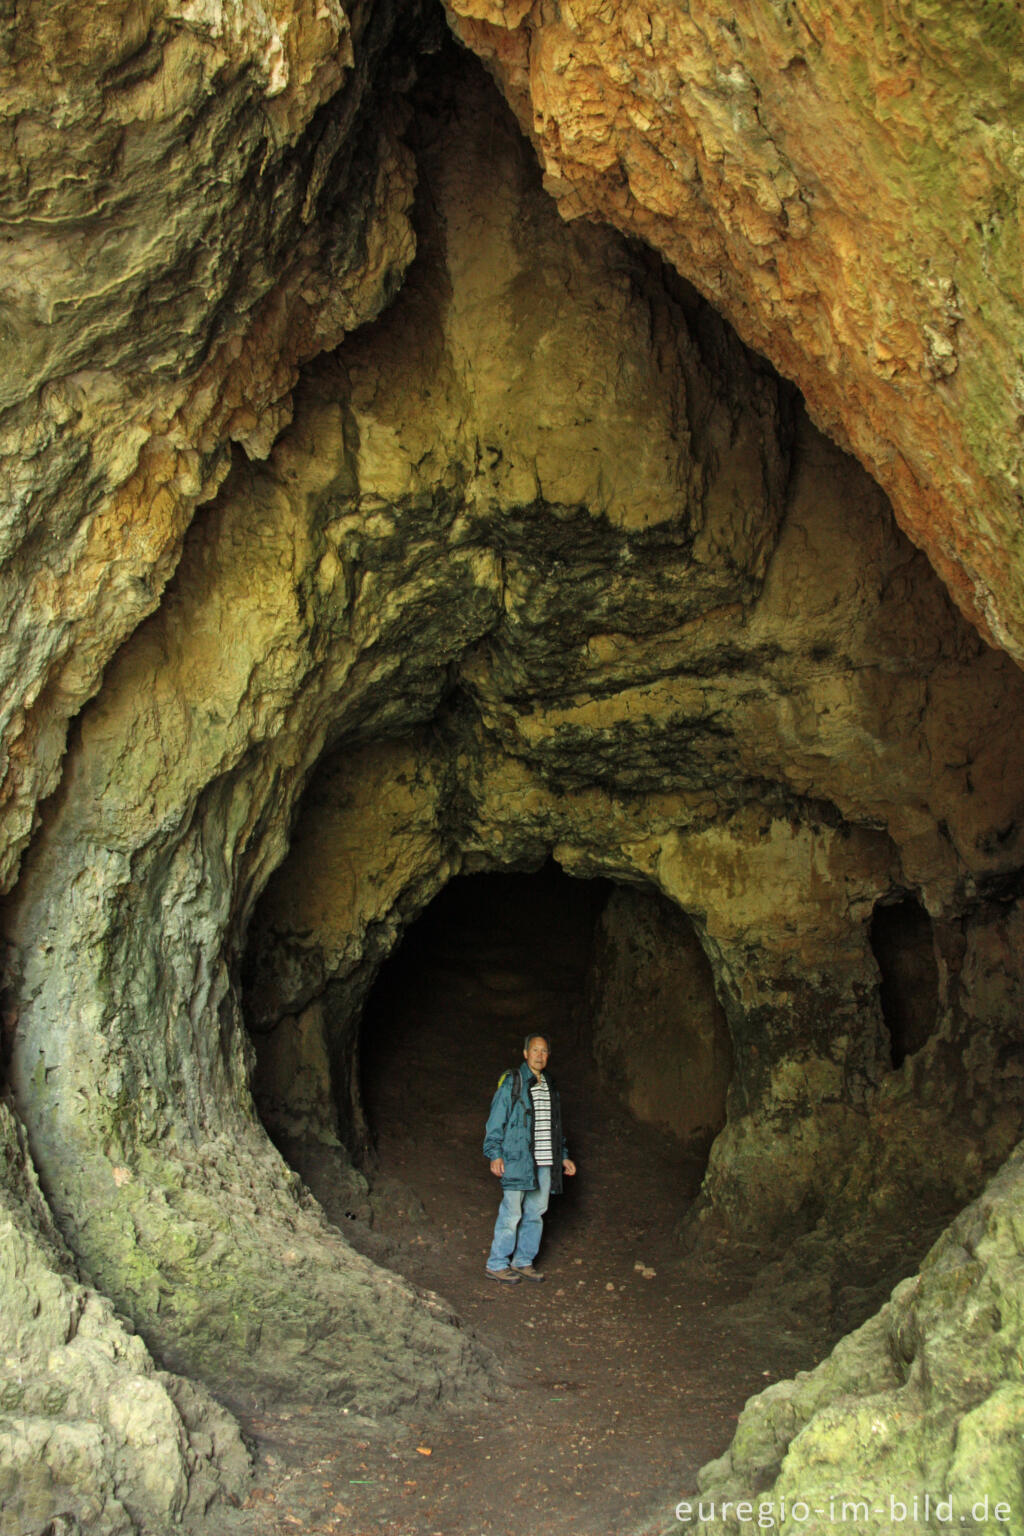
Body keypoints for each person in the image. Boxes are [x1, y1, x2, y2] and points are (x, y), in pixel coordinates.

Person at [483, 1032, 576, 1284]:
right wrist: (495, 1153)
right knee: (512, 1212)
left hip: (545, 1162)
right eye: (535, 1050)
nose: (539, 1055)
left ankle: (523, 1261)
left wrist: (563, 1156)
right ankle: (497, 1263)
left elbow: (554, 1126)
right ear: (525, 1054)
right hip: (517, 1159)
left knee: (536, 1212)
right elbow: (496, 1121)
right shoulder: (513, 1082)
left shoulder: (550, 1085)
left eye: (544, 1051)